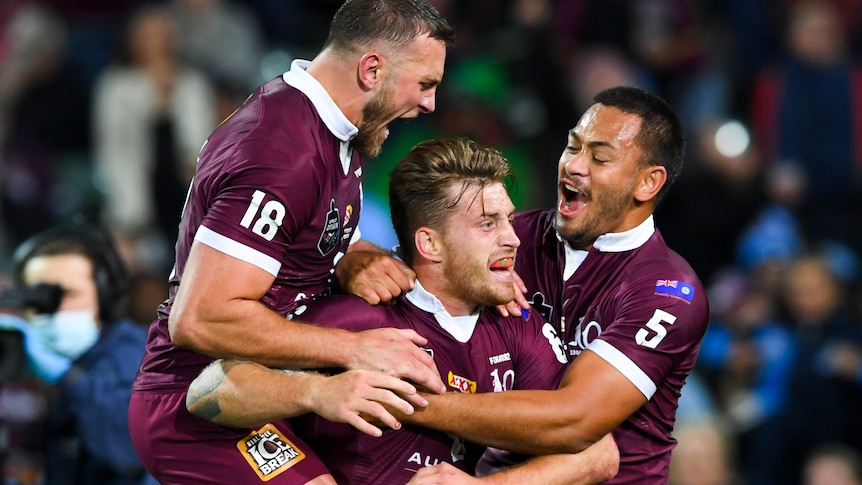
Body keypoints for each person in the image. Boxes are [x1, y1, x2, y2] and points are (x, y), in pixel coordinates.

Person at [127, 1, 455, 484]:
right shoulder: (282, 153)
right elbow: (201, 317)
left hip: (275, 386)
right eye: (425, 84)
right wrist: (353, 349)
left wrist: (352, 257)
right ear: (371, 69)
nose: (429, 104)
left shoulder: (339, 128)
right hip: (199, 402)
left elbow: (305, 240)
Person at [185, 137, 620, 484]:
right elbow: (206, 393)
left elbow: (599, 454)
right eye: (488, 224)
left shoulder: (517, 327)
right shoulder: (360, 318)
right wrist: (316, 392)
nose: (513, 239)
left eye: (508, 219)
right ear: (429, 244)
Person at [339, 85, 711, 484]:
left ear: (647, 183)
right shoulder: (516, 237)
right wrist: (354, 256)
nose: (574, 166)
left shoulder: (669, 291)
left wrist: (404, 400)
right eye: (573, 147)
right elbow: (426, 259)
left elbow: (575, 421)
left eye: (599, 157)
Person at [3, 225, 156, 485]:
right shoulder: (30, 356)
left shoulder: (134, 353)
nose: (55, 310)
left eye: (69, 295)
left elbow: (125, 449)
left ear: (104, 296)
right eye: (39, 299)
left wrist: (61, 374)